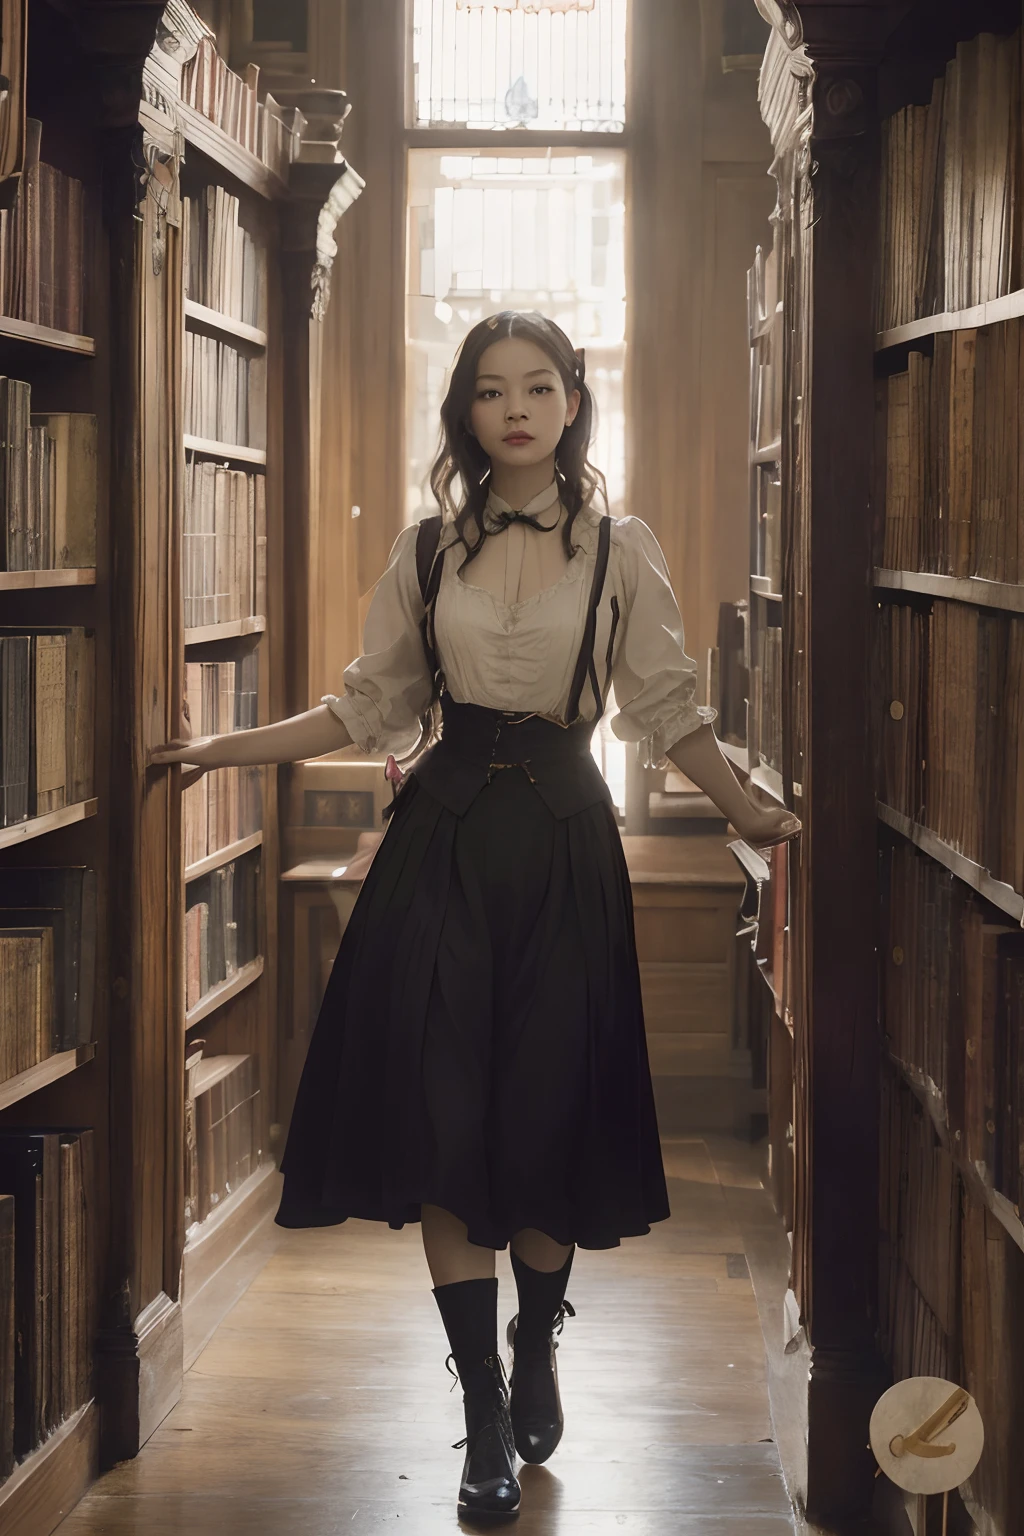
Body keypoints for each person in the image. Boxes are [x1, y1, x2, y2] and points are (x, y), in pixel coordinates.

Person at [152, 311, 800, 1518]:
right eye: (491, 390)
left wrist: (743, 807)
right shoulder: (424, 551)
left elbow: (668, 709)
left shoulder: (620, 550)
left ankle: (539, 1339)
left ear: (569, 403)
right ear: (466, 414)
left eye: (537, 387)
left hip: (564, 848)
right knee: (447, 1121)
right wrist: (219, 749)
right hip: (439, 852)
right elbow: (366, 708)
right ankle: (480, 1412)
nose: (514, 407)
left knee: (544, 1119)